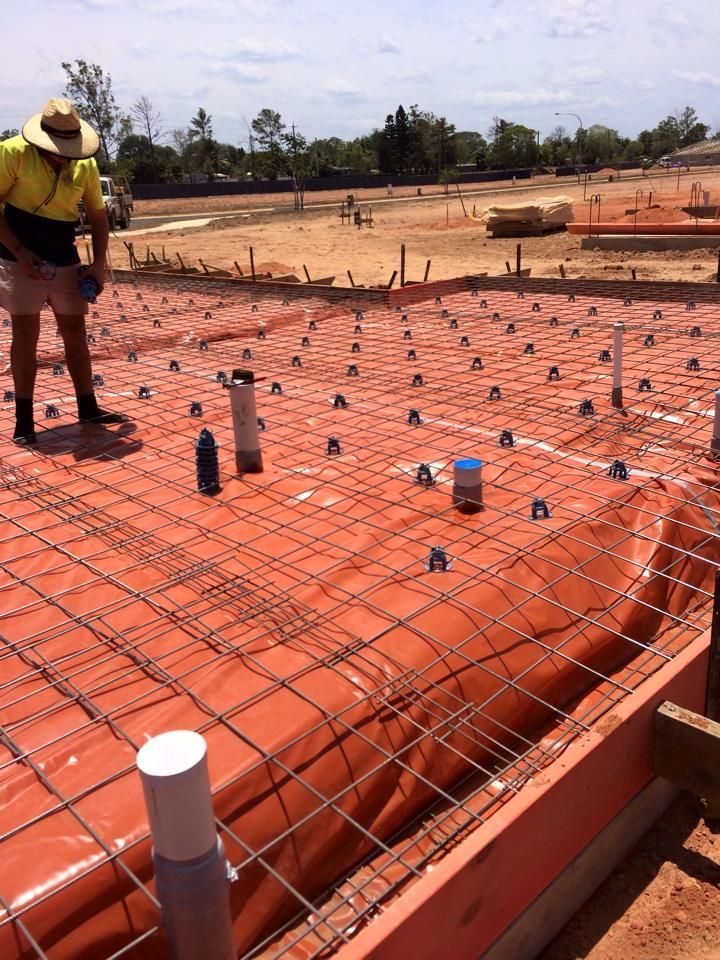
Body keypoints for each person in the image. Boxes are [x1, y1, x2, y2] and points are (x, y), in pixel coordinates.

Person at [0, 97, 128, 444]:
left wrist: (98, 267)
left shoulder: (83, 166)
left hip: (63, 255)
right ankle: (24, 421)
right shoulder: (11, 154)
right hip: (17, 257)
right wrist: (20, 253)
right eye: (58, 150)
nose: (64, 157)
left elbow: (99, 218)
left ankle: (88, 406)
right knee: (26, 336)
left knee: (75, 331)